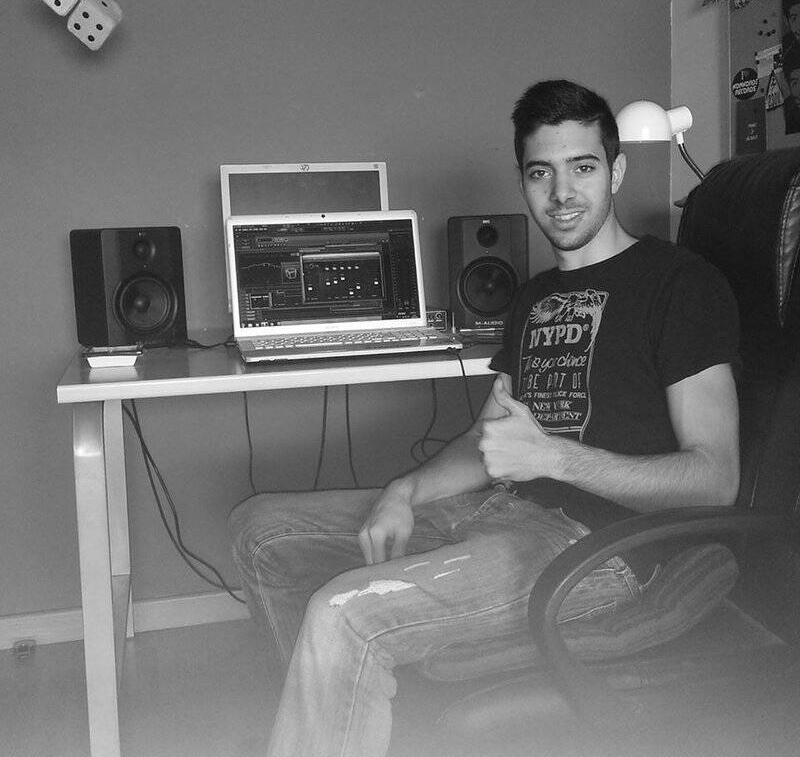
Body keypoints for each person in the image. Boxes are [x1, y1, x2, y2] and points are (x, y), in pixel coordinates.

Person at [228, 79, 740, 757]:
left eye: (583, 167)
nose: (562, 193)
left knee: (344, 613)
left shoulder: (680, 285)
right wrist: (404, 491)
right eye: (541, 173)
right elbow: (484, 441)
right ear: (523, 181)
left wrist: (555, 458)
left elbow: (716, 478)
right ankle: (334, 718)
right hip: (499, 509)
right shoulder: (535, 297)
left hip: (595, 547)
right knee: (260, 532)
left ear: (616, 172)